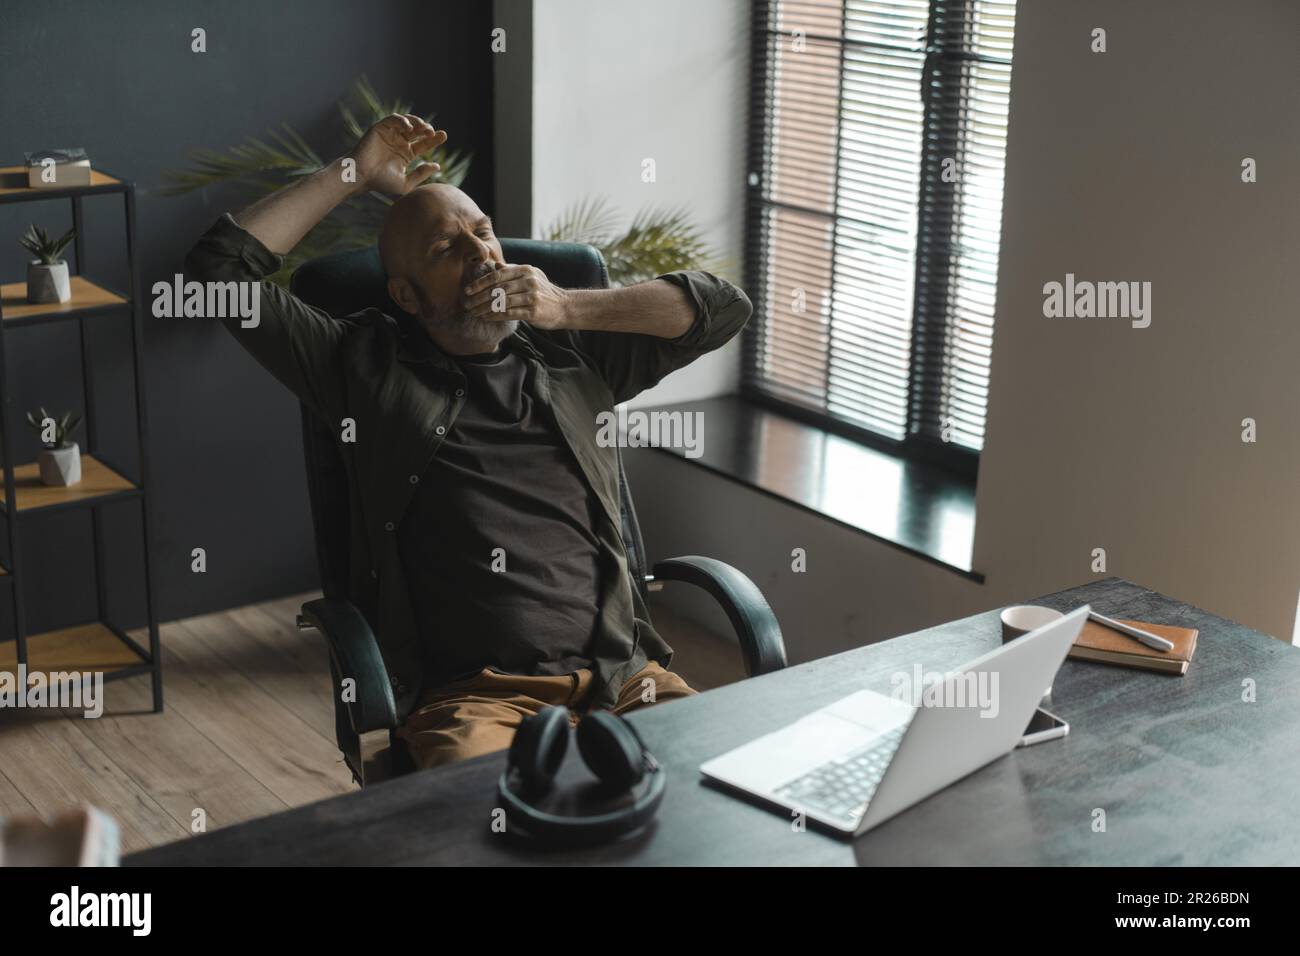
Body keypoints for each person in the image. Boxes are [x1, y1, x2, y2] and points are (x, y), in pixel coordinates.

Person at [183, 114, 751, 769]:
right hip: (475, 701)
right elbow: (216, 271)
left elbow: (722, 307)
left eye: (483, 234)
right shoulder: (361, 368)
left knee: (726, 797)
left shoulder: (575, 355)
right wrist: (357, 171)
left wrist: (569, 307)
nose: (483, 255)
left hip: (625, 681)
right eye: (447, 249)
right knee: (477, 832)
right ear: (405, 294)